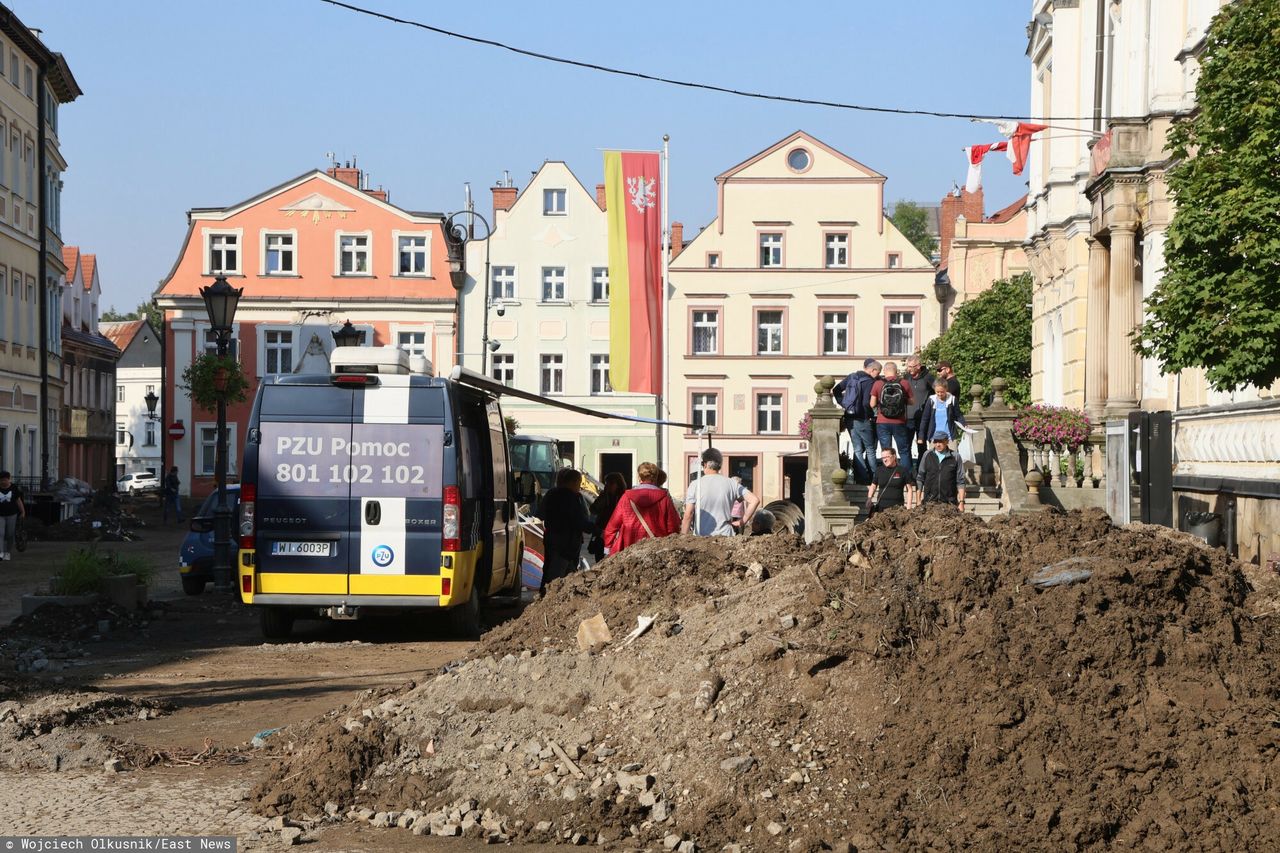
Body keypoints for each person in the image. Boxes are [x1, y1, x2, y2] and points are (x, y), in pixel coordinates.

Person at [537, 468, 597, 592]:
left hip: (552, 540)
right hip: (566, 543)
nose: (579, 487)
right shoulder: (573, 498)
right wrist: (595, 530)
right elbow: (580, 520)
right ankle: (549, 601)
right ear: (573, 482)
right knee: (557, 576)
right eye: (579, 483)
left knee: (550, 571)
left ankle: (546, 599)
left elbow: (540, 515)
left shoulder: (551, 494)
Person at [681, 448, 761, 536]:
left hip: (702, 537)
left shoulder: (695, 484)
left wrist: (683, 536)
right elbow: (754, 500)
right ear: (720, 465)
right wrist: (743, 521)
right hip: (726, 536)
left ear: (705, 464)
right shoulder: (732, 483)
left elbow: (688, 514)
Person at [603, 462, 680, 553]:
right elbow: (673, 526)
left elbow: (612, 525)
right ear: (655, 478)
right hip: (657, 551)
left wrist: (607, 548)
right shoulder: (664, 499)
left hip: (630, 549)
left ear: (639, 477)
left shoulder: (626, 497)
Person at [869, 361, 915, 501]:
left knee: (885, 450)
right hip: (900, 422)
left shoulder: (878, 384)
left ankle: (886, 476)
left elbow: (871, 404)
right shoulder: (904, 383)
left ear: (885, 371)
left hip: (882, 422)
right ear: (896, 371)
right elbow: (913, 402)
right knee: (904, 450)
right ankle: (908, 480)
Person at [833, 359, 881, 484]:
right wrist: (870, 414)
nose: (878, 375)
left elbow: (836, 390)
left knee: (857, 449)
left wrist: (844, 404)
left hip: (850, 418)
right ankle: (875, 478)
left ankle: (861, 478)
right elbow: (867, 403)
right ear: (873, 370)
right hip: (863, 419)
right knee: (870, 449)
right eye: (878, 372)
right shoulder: (870, 382)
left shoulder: (851, 377)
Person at [917, 432, 966, 509]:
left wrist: (961, 502)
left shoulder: (955, 456)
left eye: (940, 441)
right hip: (930, 502)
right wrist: (918, 500)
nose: (937, 444)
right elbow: (920, 478)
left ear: (947, 441)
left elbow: (961, 480)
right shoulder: (927, 455)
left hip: (949, 503)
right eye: (935, 442)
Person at [916, 377, 967, 447]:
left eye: (942, 392)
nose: (940, 394)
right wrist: (921, 436)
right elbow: (925, 419)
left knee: (952, 457)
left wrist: (964, 425)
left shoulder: (952, 400)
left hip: (949, 437)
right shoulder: (931, 400)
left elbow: (958, 415)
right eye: (937, 392)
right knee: (934, 457)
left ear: (946, 389)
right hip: (934, 437)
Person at [904, 356, 935, 465]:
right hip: (908, 417)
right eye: (908, 367)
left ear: (918, 366)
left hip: (923, 417)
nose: (910, 369)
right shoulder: (906, 377)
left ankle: (921, 469)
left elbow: (939, 390)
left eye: (912, 367)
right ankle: (908, 471)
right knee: (906, 445)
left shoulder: (928, 377)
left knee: (921, 445)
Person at [588, 473, 626, 560]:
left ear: (618, 485)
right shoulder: (604, 496)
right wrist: (603, 497)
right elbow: (593, 509)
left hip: (617, 532)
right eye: (606, 483)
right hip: (602, 531)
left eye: (611, 483)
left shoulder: (623, 497)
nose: (608, 486)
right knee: (599, 557)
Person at [867, 447, 910, 515]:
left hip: (897, 508)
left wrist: (908, 506)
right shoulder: (879, 470)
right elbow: (873, 486)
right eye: (883, 458)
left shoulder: (902, 470)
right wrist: (869, 498)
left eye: (887, 457)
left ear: (894, 456)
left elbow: (909, 489)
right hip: (881, 508)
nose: (885, 460)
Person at [0, 471, 25, 561]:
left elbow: (18, 500)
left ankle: (7, 552)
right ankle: (1, 553)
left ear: (8, 479)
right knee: (1, 533)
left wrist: (22, 512)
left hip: (12, 514)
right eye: (1, 480)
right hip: (0, 515)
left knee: (10, 534)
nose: (3, 482)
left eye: (5, 480)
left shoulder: (14, 488)